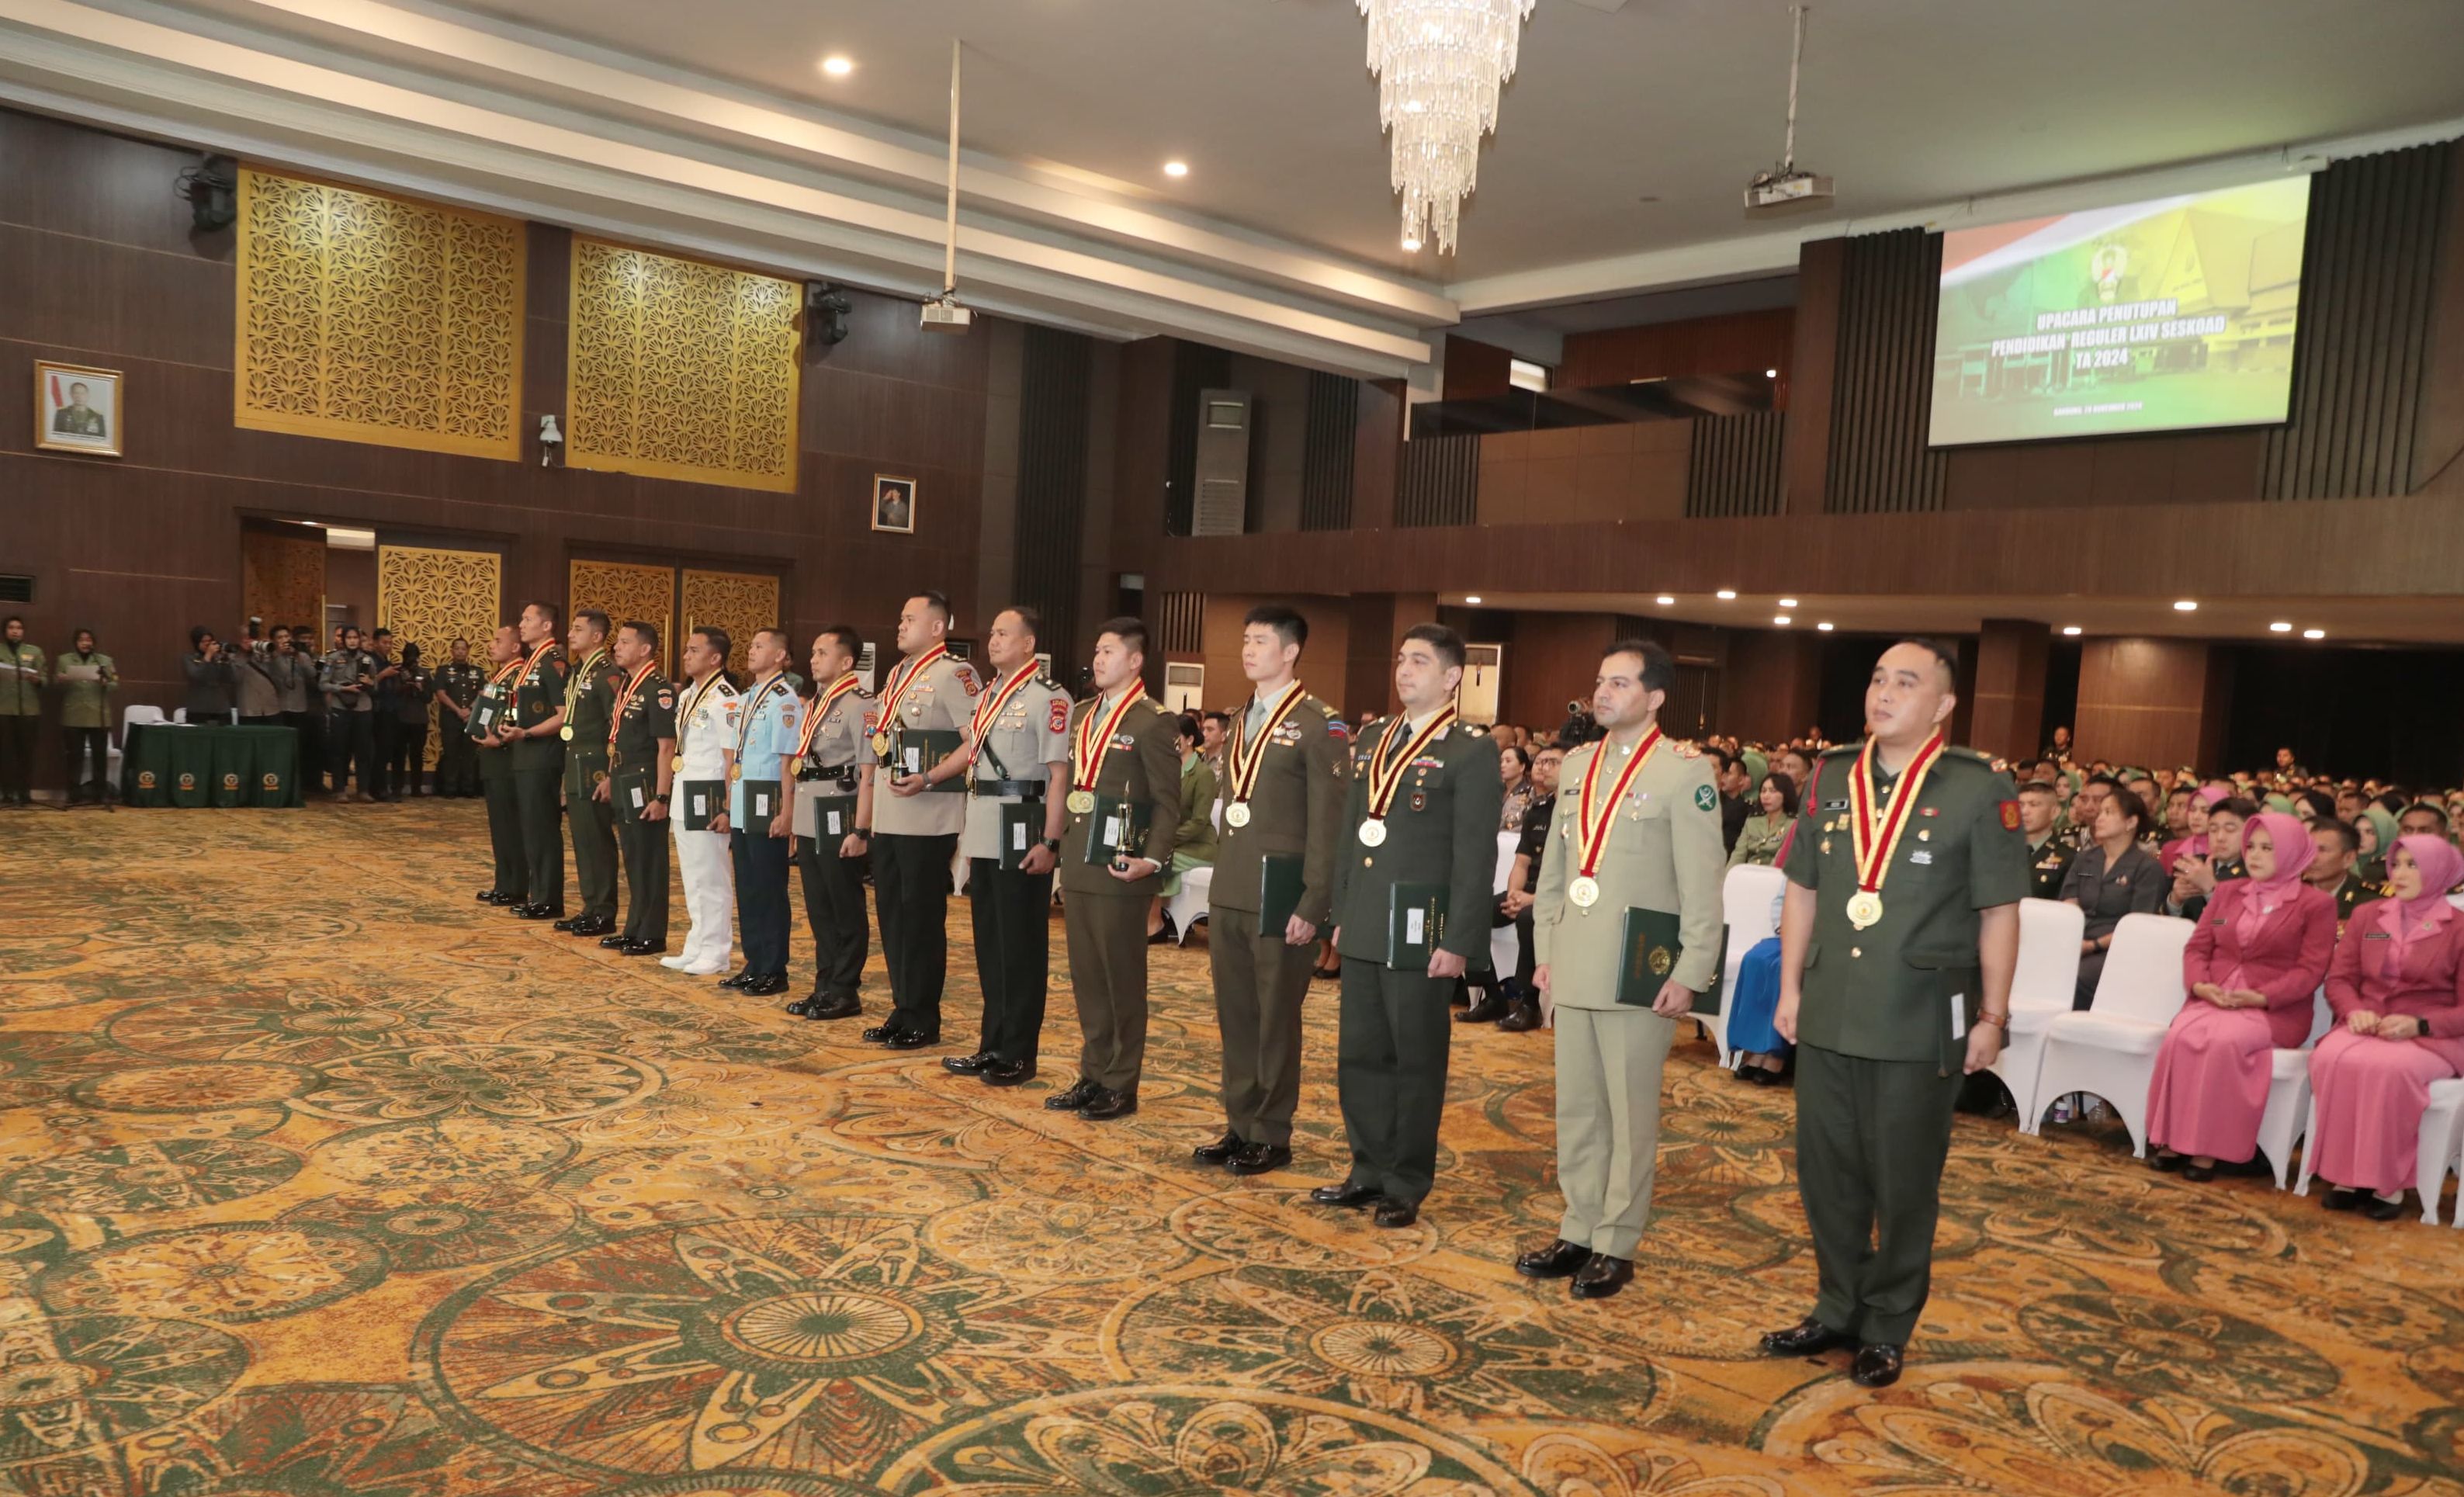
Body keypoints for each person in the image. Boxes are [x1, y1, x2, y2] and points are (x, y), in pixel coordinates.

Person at [1763, 639, 2026, 1390]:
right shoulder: (1831, 774)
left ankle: (1886, 1322)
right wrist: (1787, 988)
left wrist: (1992, 1015)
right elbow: (1804, 890)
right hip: (1831, 1007)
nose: (1883, 693)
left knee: (1903, 1177)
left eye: (1905, 683)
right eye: (1877, 678)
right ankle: (1837, 1305)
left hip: (1919, 1014)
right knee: (1827, 1173)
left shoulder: (1978, 789)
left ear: (1942, 705)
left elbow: (1999, 911)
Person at [1518, 639, 1725, 1301]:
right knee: (1577, 1108)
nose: (1602, 693)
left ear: (1654, 696)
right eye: (1599, 681)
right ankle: (1577, 1225)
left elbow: (1702, 883)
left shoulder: (1682, 772)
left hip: (1640, 967)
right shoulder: (1577, 764)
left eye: (1619, 683)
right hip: (1574, 958)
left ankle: (1616, 1240)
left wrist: (1692, 969)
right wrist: (1544, 953)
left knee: (1629, 1112)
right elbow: (1554, 871)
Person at [1315, 623, 1502, 1230]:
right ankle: (1366, 1167)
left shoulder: (1470, 748)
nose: (1404, 669)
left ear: (1451, 677)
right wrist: (1340, 914)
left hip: (1424, 931)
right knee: (1360, 1053)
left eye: (1419, 661)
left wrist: (1458, 940)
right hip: (1368, 920)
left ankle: (1405, 1179)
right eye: (1400, 659)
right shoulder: (1373, 736)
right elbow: (1351, 836)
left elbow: (1474, 857)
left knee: (1414, 1057)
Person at [1198, 604, 1348, 1176]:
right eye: (1245, 639)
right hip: (1233, 884)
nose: (1247, 648)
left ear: (1289, 651)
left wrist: (1314, 902)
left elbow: (1326, 822)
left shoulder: (1319, 724)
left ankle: (1271, 1131)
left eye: (1260, 640)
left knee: (1275, 1017)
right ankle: (1239, 1124)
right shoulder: (1241, 718)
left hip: (1282, 893)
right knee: (1235, 1013)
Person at [2144, 811, 2337, 1180]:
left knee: (2225, 1041)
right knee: (2181, 1034)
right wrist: (2200, 986)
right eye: (2251, 847)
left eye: (2268, 848)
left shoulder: (2316, 905)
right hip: (2213, 998)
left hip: (2273, 1010)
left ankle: (2207, 1151)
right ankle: (2171, 1138)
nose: (2255, 855)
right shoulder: (2229, 892)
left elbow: (2310, 971)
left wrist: (2259, 997)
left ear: (2294, 853)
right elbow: (2198, 948)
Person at [1047, 617, 1180, 1121]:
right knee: (1086, 976)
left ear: (1134, 660)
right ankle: (1094, 1071)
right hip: (1081, 859)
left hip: (1123, 866)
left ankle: (1121, 1082)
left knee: (1120, 976)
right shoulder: (1082, 713)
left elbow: (1168, 801)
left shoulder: (1152, 720)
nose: (1098, 659)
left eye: (1108, 651)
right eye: (1096, 651)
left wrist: (1153, 856)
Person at [2307, 835, 2464, 1220]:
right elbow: (2340, 979)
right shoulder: (2369, 916)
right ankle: (2344, 1175)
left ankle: (2387, 1184)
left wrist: (2420, 1024)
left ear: (2441, 872)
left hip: (2434, 1034)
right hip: (2369, 1022)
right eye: (2398, 864)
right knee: (2329, 1057)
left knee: (2389, 1070)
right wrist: (2355, 1010)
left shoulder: (2459, 928)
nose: (2401, 873)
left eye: (2414, 865)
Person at [941, 608, 1068, 1075]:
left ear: (1029, 644)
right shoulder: (990, 693)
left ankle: (1018, 1052)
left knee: (1021, 946)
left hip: (1022, 830)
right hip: (984, 827)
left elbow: (1058, 778)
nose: (992, 641)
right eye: (991, 633)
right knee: (990, 946)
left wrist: (1051, 841)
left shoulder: (1048, 698)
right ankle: (991, 1044)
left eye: (1002, 634)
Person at [861, 592, 981, 1049]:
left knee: (921, 919)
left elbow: (974, 743)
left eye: (910, 619)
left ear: (937, 627)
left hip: (929, 814)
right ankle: (902, 1007)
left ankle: (923, 1017)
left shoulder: (956, 674)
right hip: (892, 812)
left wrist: (930, 777)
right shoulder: (897, 673)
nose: (900, 625)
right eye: (900, 617)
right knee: (892, 917)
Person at [783, 625, 879, 1023]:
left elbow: (869, 771)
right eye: (813, 651)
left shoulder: (861, 705)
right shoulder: (816, 703)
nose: (814, 658)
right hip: (810, 811)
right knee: (819, 907)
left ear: (845, 661)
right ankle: (824, 985)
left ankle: (844, 990)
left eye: (823, 653)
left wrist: (862, 829)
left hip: (840, 810)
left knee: (844, 904)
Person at [715, 628, 800, 996]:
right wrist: (729, 800)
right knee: (747, 887)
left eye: (760, 646)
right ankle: (753, 962)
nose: (751, 651)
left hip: (769, 803)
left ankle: (773, 968)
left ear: (780, 655)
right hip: (744, 801)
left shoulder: (785, 700)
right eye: (750, 645)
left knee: (769, 888)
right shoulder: (748, 697)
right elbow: (736, 756)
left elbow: (788, 763)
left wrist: (787, 813)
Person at [660, 626, 741, 978]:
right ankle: (696, 943)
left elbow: (731, 757)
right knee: (693, 876)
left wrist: (727, 805)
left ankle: (717, 950)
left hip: (709, 794)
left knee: (712, 876)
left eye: (694, 650)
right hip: (685, 790)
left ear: (715, 658)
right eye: (686, 649)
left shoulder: (725, 698)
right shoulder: (688, 694)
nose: (686, 655)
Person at [598, 620, 676, 957]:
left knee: (649, 859)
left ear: (645, 649)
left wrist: (662, 797)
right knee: (633, 857)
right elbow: (621, 740)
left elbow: (666, 747)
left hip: (646, 783)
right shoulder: (629, 684)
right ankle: (634, 927)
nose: (617, 647)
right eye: (617, 642)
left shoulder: (657, 689)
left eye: (625, 642)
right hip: (626, 777)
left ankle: (652, 933)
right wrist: (610, 778)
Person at [549, 612, 623, 936]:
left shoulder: (608, 673)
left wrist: (611, 774)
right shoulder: (577, 670)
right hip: (576, 764)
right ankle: (590, 906)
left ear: (597, 637)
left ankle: (604, 911)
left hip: (595, 768)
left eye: (579, 629)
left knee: (597, 839)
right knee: (581, 839)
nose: (571, 634)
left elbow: (616, 726)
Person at [2060, 785, 2168, 1009]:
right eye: (2100, 813)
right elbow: (2069, 901)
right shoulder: (2085, 860)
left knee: (2078, 976)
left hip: (2116, 948)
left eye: (2109, 813)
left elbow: (2137, 925)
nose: (2100, 818)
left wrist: (2092, 945)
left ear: (2131, 823)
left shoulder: (2147, 867)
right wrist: (2069, 939)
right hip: (2076, 940)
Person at [501, 602, 568, 920]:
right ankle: (537, 893)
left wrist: (527, 733)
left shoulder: (552, 662)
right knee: (530, 828)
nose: (522, 623)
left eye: (528, 619)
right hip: (524, 753)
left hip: (542, 755)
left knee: (542, 828)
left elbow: (563, 715)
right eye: (522, 618)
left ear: (546, 627)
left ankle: (549, 898)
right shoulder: (532, 661)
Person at [1497, 742, 1563, 1032]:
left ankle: (1529, 1003)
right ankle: (1491, 992)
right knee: (1479, 910)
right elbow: (1522, 863)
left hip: (1559, 898)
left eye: (1553, 762)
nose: (1543, 766)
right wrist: (1514, 894)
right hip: (1528, 891)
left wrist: (1531, 899)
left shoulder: (1581, 814)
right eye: (1542, 760)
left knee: (1529, 918)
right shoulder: (1538, 810)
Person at [471, 626, 528, 907]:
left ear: (516, 647)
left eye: (498, 641)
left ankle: (516, 885)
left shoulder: (519, 676)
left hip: (507, 757)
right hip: (493, 758)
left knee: (509, 825)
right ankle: (503, 882)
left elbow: (517, 717)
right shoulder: (499, 675)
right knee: (499, 825)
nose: (491, 645)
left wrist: (498, 739)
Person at [1150, 712, 1219, 941]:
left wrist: (1165, 838)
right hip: (1173, 841)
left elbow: (1199, 822)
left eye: (1175, 736)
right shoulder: (1166, 769)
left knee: (1158, 858)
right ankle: (1156, 920)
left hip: (1198, 845)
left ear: (1189, 739)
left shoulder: (1203, 774)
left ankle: (1155, 923)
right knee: (1151, 854)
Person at [54, 628, 113, 806]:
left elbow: (115, 684)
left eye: (89, 640)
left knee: (100, 757)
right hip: (74, 715)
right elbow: (56, 683)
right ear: (76, 642)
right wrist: (62, 680)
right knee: (74, 757)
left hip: (98, 715)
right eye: (81, 640)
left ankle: (99, 795)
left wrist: (105, 682)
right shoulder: (64, 660)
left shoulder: (104, 660)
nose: (85, 643)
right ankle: (73, 795)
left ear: (93, 642)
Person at [321, 625, 376, 799]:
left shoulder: (368, 660)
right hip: (341, 708)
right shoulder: (333, 659)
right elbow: (323, 684)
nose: (352, 641)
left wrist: (370, 682)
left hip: (363, 708)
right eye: (349, 638)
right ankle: (339, 790)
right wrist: (343, 688)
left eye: (355, 638)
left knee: (363, 751)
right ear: (343, 640)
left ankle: (363, 790)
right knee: (340, 750)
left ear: (360, 640)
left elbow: (376, 686)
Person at [2306, 819, 2382, 934]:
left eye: (2322, 850)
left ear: (2349, 858)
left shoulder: (2370, 902)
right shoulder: (2292, 892)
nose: (2312, 858)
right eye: (2309, 849)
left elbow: (2376, 943)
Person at [432, 638, 485, 798]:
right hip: (450, 719)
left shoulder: (478, 671)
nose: (460, 651)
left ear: (468, 651)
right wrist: (458, 710)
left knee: (469, 755)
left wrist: (469, 710)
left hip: (471, 718)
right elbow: (441, 694)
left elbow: (482, 693)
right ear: (452, 651)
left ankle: (468, 789)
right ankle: (450, 789)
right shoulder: (443, 671)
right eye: (457, 648)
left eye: (463, 648)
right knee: (451, 755)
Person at [382, 641, 431, 797]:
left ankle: (416, 789)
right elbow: (391, 693)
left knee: (417, 756)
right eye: (408, 657)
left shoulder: (425, 673)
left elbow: (429, 698)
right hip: (400, 718)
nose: (411, 660)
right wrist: (405, 686)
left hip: (419, 719)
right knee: (399, 756)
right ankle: (397, 788)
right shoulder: (396, 671)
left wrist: (420, 688)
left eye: (414, 657)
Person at [2018, 780, 2076, 899]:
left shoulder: (2069, 857)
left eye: (2034, 805)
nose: (2024, 812)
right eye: (2020, 805)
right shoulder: (2002, 852)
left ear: (2054, 812)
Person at [1727, 771, 1797, 868]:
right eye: (1763, 791)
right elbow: (1738, 854)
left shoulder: (1793, 824)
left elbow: (1782, 859)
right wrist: (1728, 878)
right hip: (1749, 873)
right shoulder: (1752, 822)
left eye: (1772, 791)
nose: (1766, 796)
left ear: (1785, 795)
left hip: (1774, 875)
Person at [182, 626, 237, 722]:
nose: (207, 643)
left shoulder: (218, 658)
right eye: (203, 641)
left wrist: (226, 660)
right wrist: (208, 656)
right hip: (198, 711)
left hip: (221, 709)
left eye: (210, 640)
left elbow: (230, 679)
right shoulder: (189, 658)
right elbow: (196, 676)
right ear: (196, 643)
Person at [230, 632, 281, 726]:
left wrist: (272, 651)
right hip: (249, 709)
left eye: (251, 638)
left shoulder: (263, 653)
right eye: (245, 638)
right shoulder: (233, 657)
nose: (249, 641)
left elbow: (280, 672)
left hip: (271, 708)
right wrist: (244, 653)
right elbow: (236, 678)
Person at [1716, 750, 1754, 854]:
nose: (1723, 778)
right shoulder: (1714, 802)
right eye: (1722, 773)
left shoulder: (1748, 809)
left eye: (1728, 774)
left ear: (1741, 779)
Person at [1499, 742, 1536, 833]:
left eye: (1508, 761)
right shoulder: (1495, 791)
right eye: (1501, 761)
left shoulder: (1530, 793)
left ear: (1522, 767)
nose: (1502, 765)